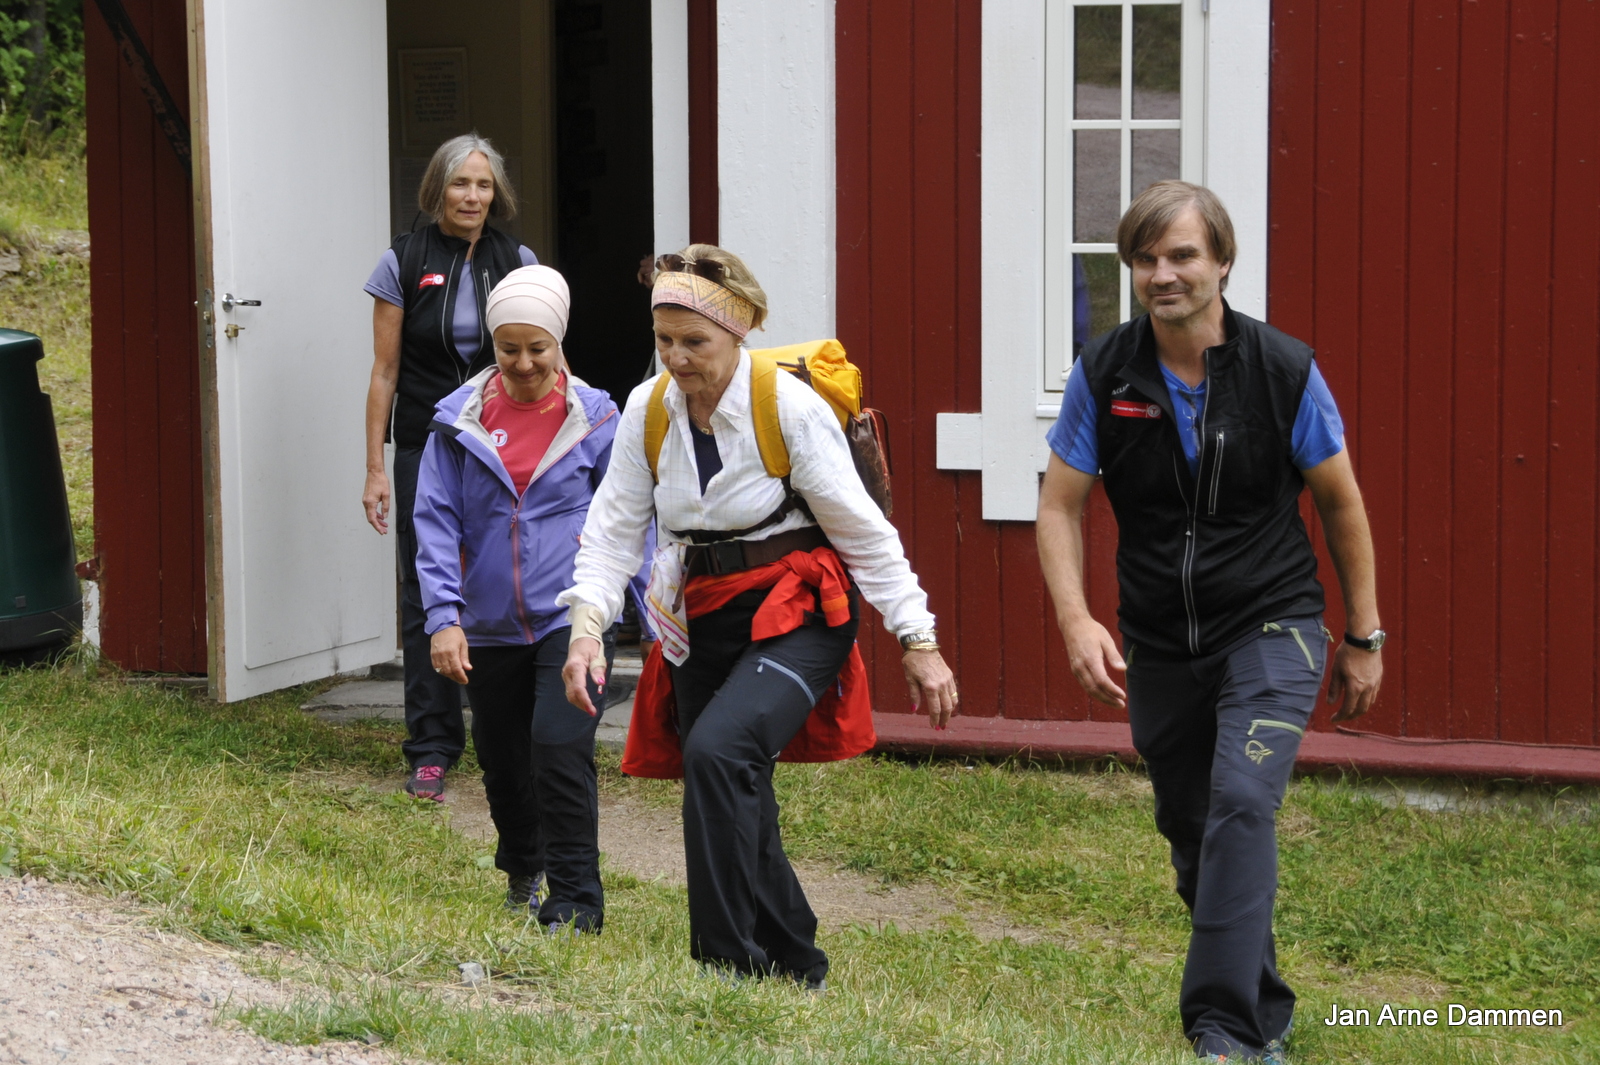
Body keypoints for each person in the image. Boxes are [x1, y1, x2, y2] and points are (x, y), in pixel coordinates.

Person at [1036, 181, 1383, 1063]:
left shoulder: (1283, 369)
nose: (1164, 274)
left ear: (1222, 263)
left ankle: (1224, 1027)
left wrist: (1363, 635)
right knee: (1192, 825)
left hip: (1274, 623)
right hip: (1160, 639)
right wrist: (1077, 621)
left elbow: (1341, 503)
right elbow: (1060, 506)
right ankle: (1263, 997)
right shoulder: (1105, 372)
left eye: (1183, 255)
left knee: (1239, 802)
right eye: (1147, 258)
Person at [556, 245, 958, 987]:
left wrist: (918, 637)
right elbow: (611, 532)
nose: (676, 357)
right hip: (702, 612)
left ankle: (724, 964)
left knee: (717, 752)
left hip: (799, 610)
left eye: (694, 342)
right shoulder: (648, 409)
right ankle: (796, 959)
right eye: (664, 340)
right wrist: (586, 631)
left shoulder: (789, 408)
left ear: (738, 333)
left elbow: (866, 534)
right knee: (731, 777)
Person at [412, 265, 644, 930]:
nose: (522, 363)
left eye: (537, 348)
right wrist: (443, 617)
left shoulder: (597, 418)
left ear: (559, 342)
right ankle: (524, 867)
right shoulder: (457, 423)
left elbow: (630, 516)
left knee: (559, 747)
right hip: (484, 624)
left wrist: (643, 609)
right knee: (504, 758)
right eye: (508, 348)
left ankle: (575, 899)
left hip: (570, 619)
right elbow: (434, 521)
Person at [360, 133, 539, 801]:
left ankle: (505, 734)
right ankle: (432, 745)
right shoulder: (402, 261)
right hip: (422, 446)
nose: (472, 196)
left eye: (484, 185)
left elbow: (544, 358)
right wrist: (375, 469)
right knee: (424, 593)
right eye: (461, 184)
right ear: (437, 189)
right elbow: (384, 372)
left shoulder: (515, 260)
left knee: (499, 584)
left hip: (499, 447)